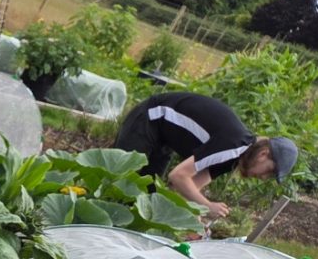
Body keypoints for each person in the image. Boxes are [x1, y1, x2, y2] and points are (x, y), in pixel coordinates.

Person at [113, 91, 298, 221]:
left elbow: (189, 188)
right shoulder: (233, 145)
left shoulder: (231, 160)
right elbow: (178, 177)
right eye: (270, 171)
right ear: (264, 154)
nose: (264, 177)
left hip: (163, 139)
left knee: (147, 194)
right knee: (119, 181)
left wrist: (196, 219)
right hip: (149, 118)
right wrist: (208, 205)